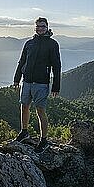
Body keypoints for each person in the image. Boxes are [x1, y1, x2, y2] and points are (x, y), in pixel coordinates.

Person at [12, 17, 61, 153]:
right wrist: (17, 79)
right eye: (38, 26)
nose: (40, 28)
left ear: (47, 27)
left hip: (41, 83)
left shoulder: (52, 44)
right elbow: (21, 61)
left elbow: (56, 66)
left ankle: (44, 139)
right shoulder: (29, 43)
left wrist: (56, 86)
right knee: (24, 106)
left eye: (43, 26)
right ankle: (24, 132)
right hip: (27, 81)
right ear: (35, 28)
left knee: (40, 110)